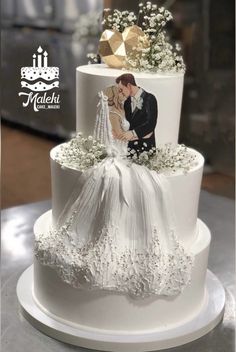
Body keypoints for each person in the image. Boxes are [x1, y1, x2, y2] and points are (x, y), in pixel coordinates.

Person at [116, 73, 158, 154]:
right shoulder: (127, 102)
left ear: (129, 85)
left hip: (146, 148)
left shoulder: (150, 98)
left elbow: (151, 124)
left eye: (121, 89)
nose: (120, 93)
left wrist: (133, 133)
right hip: (131, 148)